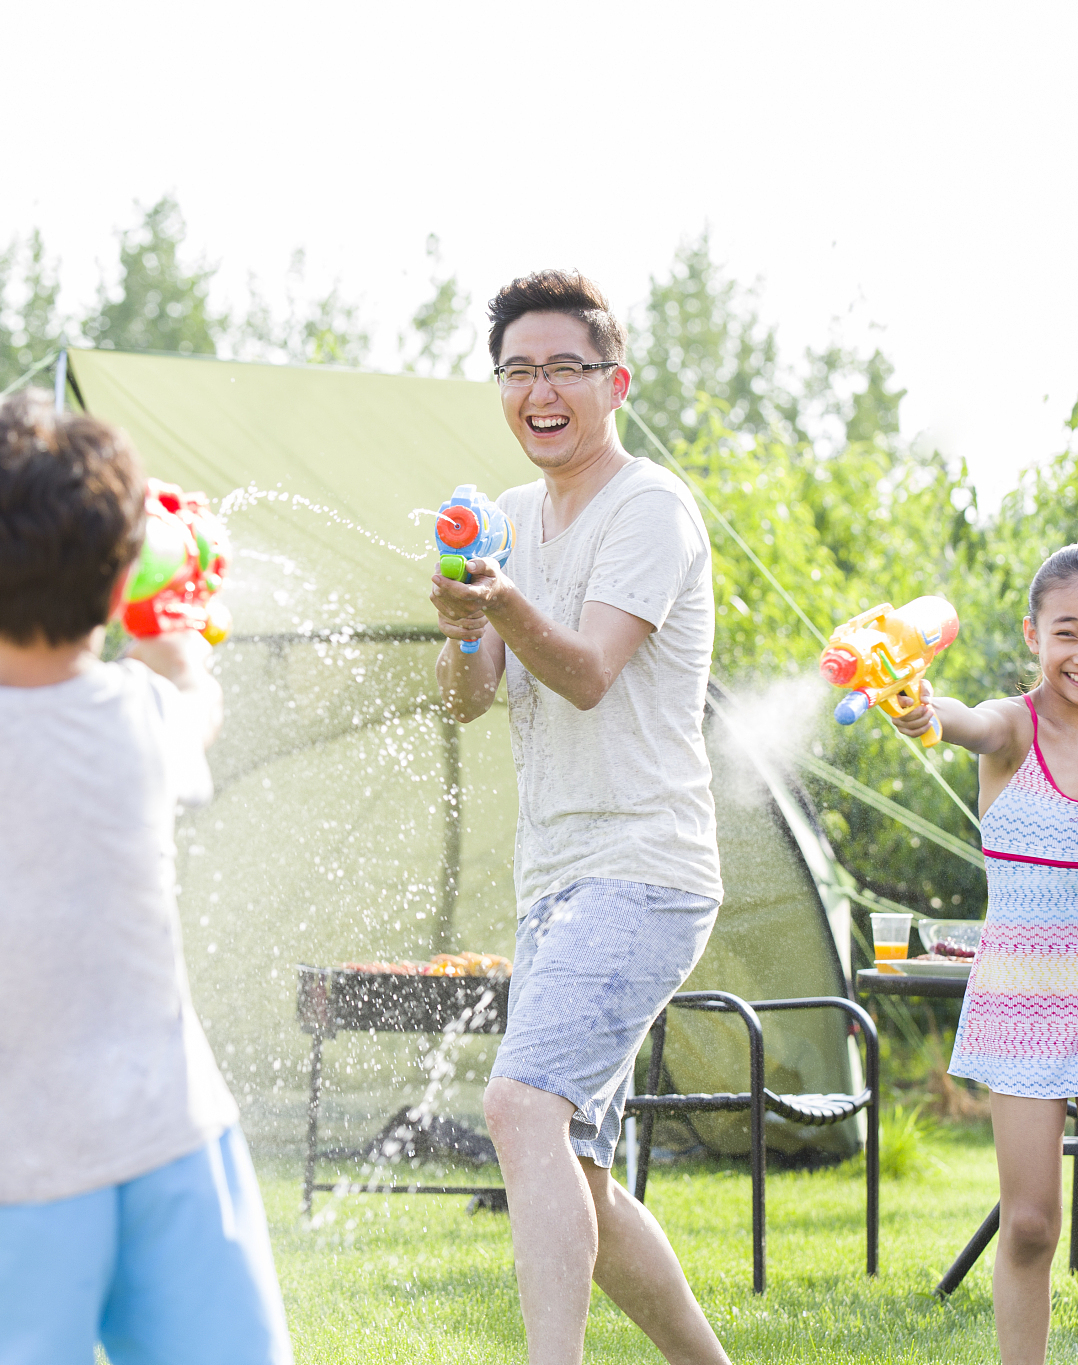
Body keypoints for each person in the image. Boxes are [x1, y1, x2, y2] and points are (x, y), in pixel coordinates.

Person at [0, 392, 290, 1365]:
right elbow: (188, 691)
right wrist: (173, 618)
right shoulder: (139, 715)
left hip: (4, 1155)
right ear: (120, 573)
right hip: (170, 1133)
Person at [429, 270, 730, 1365]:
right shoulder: (508, 518)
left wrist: (498, 595)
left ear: (615, 383)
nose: (539, 391)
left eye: (563, 368)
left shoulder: (649, 506)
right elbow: (470, 698)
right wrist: (466, 617)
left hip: (644, 866)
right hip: (554, 873)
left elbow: (593, 671)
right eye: (517, 371)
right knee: (580, 1173)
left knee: (517, 1109)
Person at [892, 542, 1078, 1365]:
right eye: (1067, 633)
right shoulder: (1012, 728)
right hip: (1020, 995)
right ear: (1033, 636)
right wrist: (925, 711)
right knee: (1028, 1225)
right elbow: (964, 720)